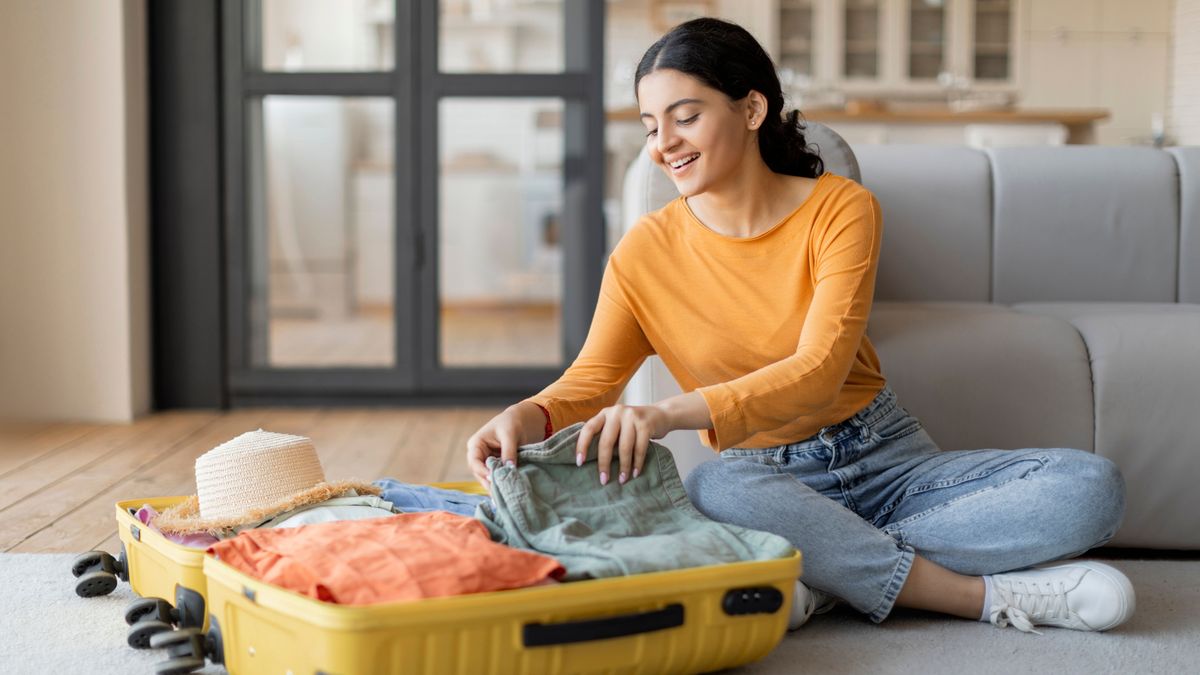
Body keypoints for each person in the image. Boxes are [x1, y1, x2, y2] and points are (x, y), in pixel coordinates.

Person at [465, 17, 1134, 635]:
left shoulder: (841, 211)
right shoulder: (645, 252)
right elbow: (590, 381)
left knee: (1091, 488)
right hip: (765, 477)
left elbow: (819, 373)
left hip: (888, 462)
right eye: (649, 125)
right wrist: (522, 418)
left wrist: (665, 413)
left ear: (751, 109)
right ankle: (979, 597)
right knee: (713, 486)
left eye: (685, 116)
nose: (662, 144)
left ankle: (816, 565)